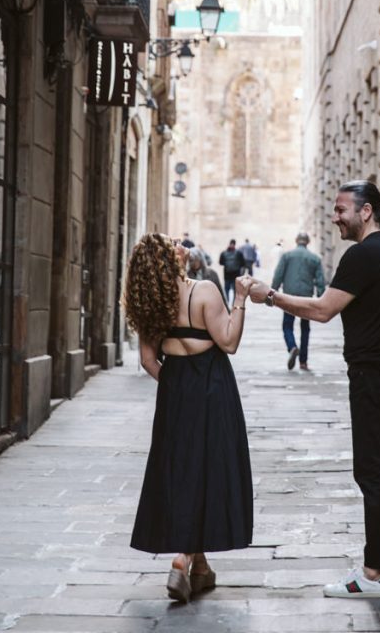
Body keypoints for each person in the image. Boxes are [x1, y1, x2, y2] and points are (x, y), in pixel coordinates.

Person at [244, 180, 380, 600]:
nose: (334, 217)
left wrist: (270, 297)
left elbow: (322, 310)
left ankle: (374, 574)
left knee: (373, 470)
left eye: (341, 210)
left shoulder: (364, 255)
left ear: (366, 211)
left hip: (374, 375)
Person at [123, 233, 253, 604]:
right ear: (169, 258)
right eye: (173, 243)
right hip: (212, 387)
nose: (181, 244)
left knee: (182, 471)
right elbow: (228, 342)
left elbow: (150, 361)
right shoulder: (204, 291)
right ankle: (182, 559)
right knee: (209, 470)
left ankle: (199, 567)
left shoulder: (151, 302)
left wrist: (179, 386)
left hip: (175, 389)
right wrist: (240, 299)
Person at [272, 232, 325, 371]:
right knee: (305, 328)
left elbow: (278, 274)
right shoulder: (315, 258)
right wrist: (321, 296)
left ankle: (292, 347)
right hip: (306, 298)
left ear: (296, 241)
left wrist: (272, 292)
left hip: (289, 297)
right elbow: (320, 280)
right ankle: (303, 361)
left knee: (287, 325)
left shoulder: (287, 256)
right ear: (307, 242)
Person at [218, 239, 245, 308]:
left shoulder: (223, 253)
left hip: (227, 275)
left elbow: (220, 263)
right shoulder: (239, 253)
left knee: (226, 290)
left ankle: (227, 304)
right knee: (235, 291)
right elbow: (243, 263)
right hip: (236, 275)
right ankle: (233, 305)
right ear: (235, 244)